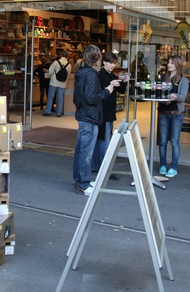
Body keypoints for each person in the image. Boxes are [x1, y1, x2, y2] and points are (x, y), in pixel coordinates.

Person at [72, 45, 120, 195]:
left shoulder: (81, 73)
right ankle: (83, 183)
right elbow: (91, 98)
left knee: (81, 151)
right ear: (98, 59)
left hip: (83, 115)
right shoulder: (91, 74)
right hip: (90, 116)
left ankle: (79, 180)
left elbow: (78, 97)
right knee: (86, 153)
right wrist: (106, 91)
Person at [91, 52, 130, 181]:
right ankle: (105, 169)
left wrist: (123, 81)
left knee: (101, 139)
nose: (112, 65)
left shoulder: (110, 75)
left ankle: (96, 166)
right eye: (110, 62)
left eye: (114, 63)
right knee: (104, 141)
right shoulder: (101, 75)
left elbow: (121, 90)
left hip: (107, 112)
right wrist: (111, 84)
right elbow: (100, 92)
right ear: (104, 62)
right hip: (104, 113)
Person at [156, 54, 189, 178]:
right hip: (163, 113)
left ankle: (174, 167)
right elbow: (158, 93)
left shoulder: (183, 80)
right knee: (162, 141)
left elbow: (182, 97)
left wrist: (175, 97)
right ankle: (163, 165)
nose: (169, 65)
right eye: (168, 62)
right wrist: (163, 99)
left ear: (178, 65)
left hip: (176, 114)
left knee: (174, 141)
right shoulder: (163, 78)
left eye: (172, 63)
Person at [43, 50, 71, 117]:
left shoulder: (56, 62)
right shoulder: (69, 65)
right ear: (67, 56)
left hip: (54, 82)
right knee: (60, 98)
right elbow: (68, 75)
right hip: (63, 83)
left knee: (51, 97)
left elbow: (50, 72)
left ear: (61, 55)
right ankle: (59, 113)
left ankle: (48, 111)